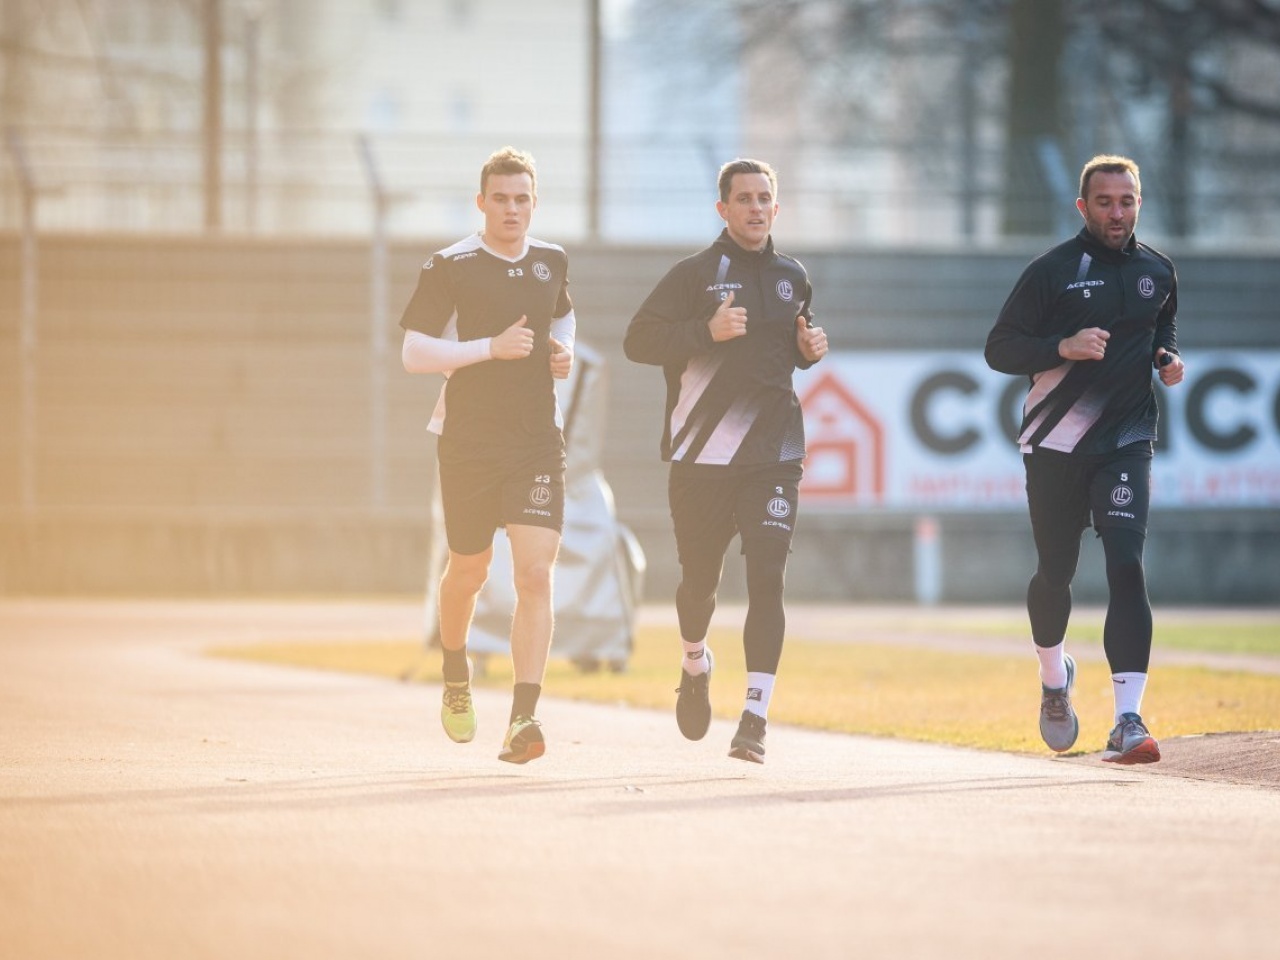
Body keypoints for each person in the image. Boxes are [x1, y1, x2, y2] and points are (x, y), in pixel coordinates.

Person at [624, 158, 829, 763]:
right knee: (698, 584)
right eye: (744, 198)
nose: (756, 207)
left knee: (767, 578)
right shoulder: (693, 274)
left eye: (765, 197)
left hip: (775, 452)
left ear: (776, 206)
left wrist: (807, 350)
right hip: (702, 456)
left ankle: (755, 717)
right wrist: (702, 332)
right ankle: (695, 661)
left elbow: (786, 352)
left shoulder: (794, 275)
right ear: (723, 208)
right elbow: (638, 339)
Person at [985, 154, 1184, 765]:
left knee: (1126, 565)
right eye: (1104, 202)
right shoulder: (1052, 271)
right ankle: (1054, 678)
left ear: (1139, 204)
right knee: (1055, 574)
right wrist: (1060, 347)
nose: (1117, 212)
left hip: (1126, 439)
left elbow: (1162, 330)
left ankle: (1128, 719)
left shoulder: (1159, 270)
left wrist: (1166, 359)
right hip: (1055, 445)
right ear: (1083, 207)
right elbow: (999, 348)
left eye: (1127, 201)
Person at [399, 146, 575, 764]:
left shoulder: (551, 259)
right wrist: (488, 349)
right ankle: (455, 675)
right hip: (469, 442)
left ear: (534, 203)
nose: (511, 209)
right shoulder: (450, 265)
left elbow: (564, 316)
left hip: (534, 442)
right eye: (500, 198)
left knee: (534, 574)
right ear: (482, 202)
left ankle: (523, 720)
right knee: (468, 572)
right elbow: (414, 353)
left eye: (522, 198)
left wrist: (562, 354)